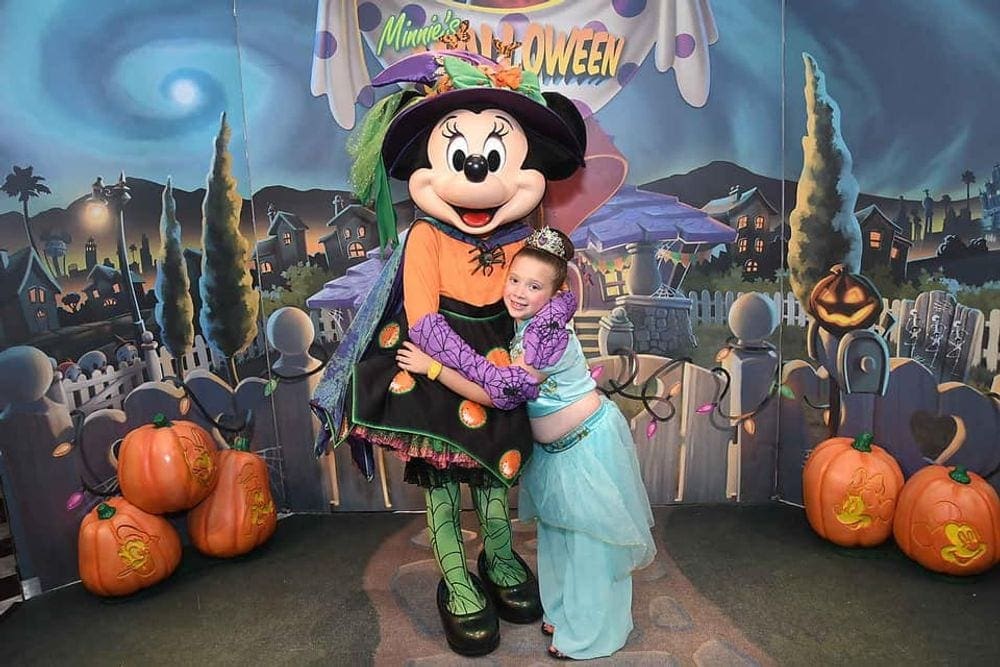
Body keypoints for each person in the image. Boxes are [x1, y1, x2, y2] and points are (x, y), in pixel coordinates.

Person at [397, 226, 656, 660]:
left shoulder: (547, 335)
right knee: (556, 536)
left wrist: (434, 367)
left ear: (555, 293)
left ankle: (592, 635)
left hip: (586, 446)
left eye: (534, 286)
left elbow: (500, 389)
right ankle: (562, 612)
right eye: (514, 279)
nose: (518, 292)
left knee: (590, 543)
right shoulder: (526, 324)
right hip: (556, 454)